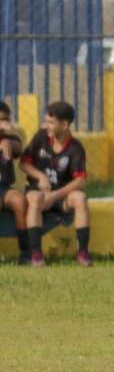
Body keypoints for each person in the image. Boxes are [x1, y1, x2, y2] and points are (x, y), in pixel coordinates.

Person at [21, 101, 91, 267]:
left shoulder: (75, 148)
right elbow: (23, 163)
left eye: (51, 122)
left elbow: (81, 180)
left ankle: (83, 252)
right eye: (46, 121)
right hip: (39, 193)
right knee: (35, 198)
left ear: (65, 124)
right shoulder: (41, 137)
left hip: (60, 197)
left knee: (80, 198)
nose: (47, 126)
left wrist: (55, 195)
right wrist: (41, 177)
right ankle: (36, 254)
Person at [0, 101, 29, 264]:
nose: (4, 123)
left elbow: (18, 149)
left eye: (6, 119)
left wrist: (7, 143)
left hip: (5, 188)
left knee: (20, 201)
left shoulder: (10, 139)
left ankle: (25, 253)